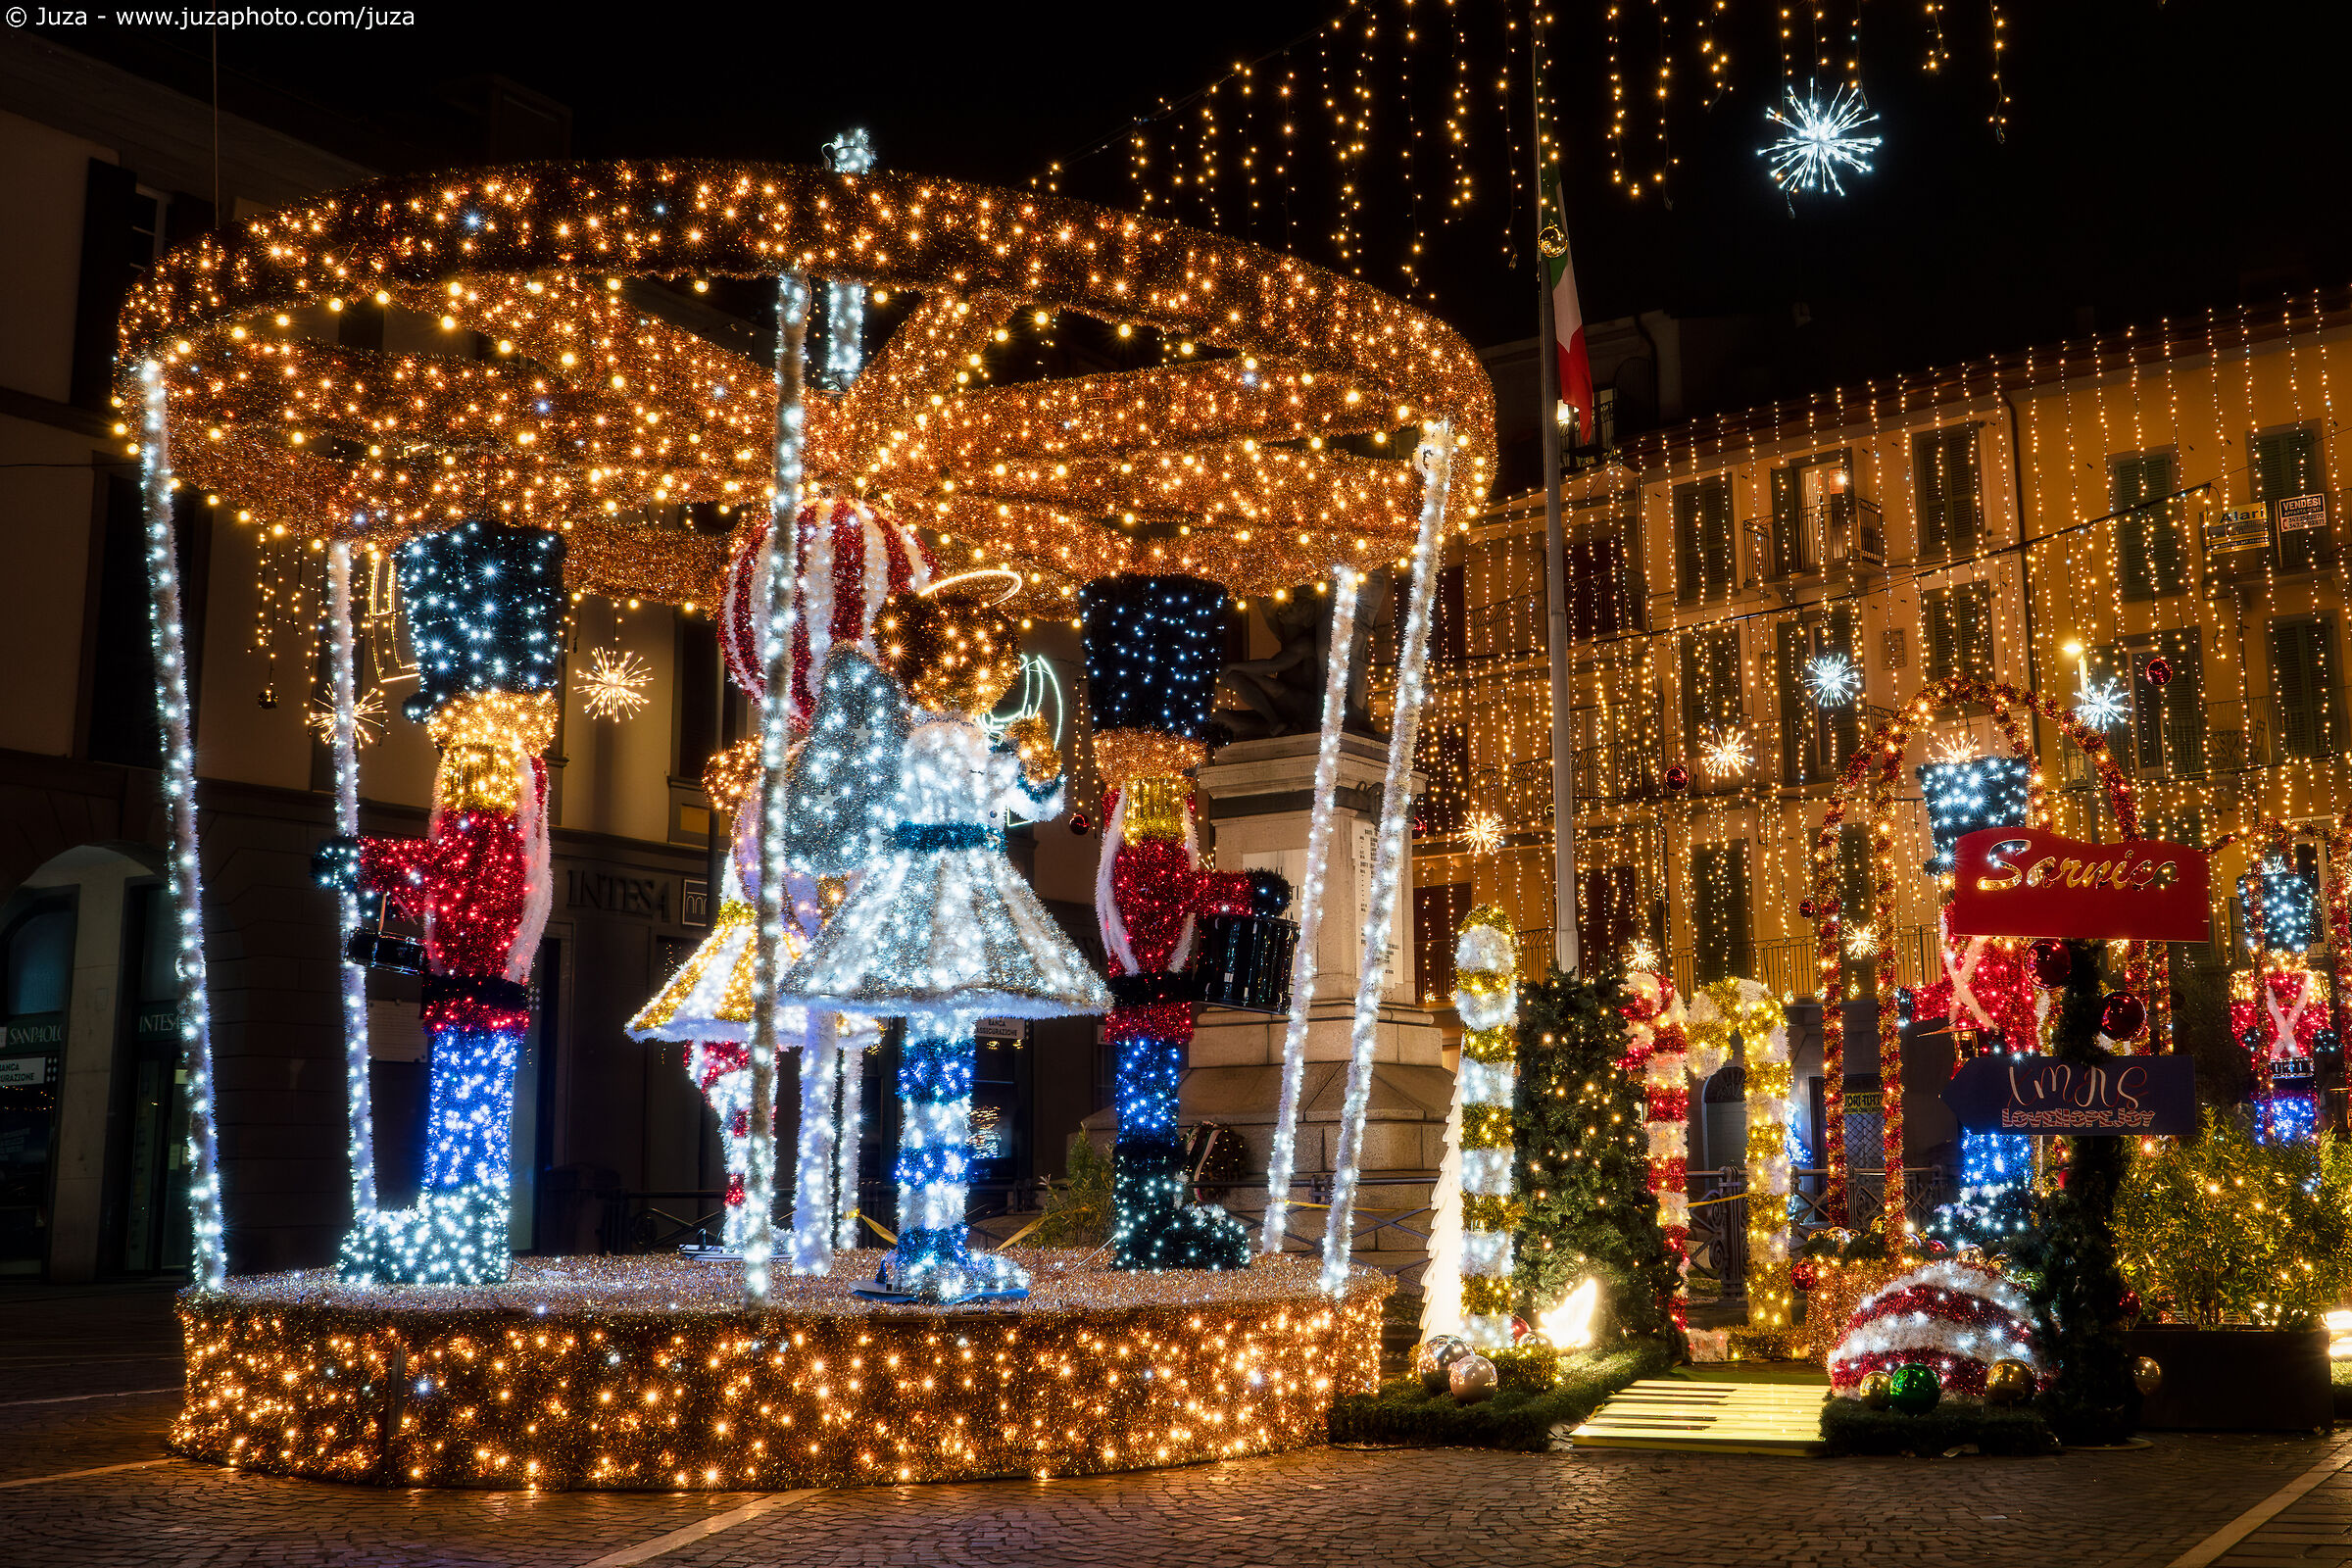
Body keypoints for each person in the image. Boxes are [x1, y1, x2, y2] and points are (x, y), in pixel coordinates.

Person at [778, 582, 1109, 1302]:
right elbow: (1013, 799)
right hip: (949, 892)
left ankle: (931, 1238)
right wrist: (1030, 768)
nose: (999, 678)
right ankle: (933, 1242)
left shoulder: (913, 735)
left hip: (933, 893)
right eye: (993, 662)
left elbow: (1028, 801)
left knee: (936, 1063)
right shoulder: (938, 738)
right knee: (940, 1062)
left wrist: (1034, 770)